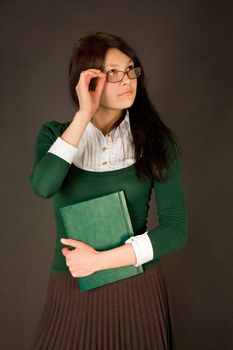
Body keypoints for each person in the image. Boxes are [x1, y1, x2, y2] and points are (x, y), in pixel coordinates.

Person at [29, 31, 188, 350]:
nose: (127, 79)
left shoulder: (156, 143)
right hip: (71, 286)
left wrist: (99, 261)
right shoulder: (55, 135)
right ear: (87, 81)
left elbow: (175, 230)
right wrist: (83, 114)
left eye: (131, 69)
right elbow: (43, 186)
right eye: (113, 73)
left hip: (137, 289)